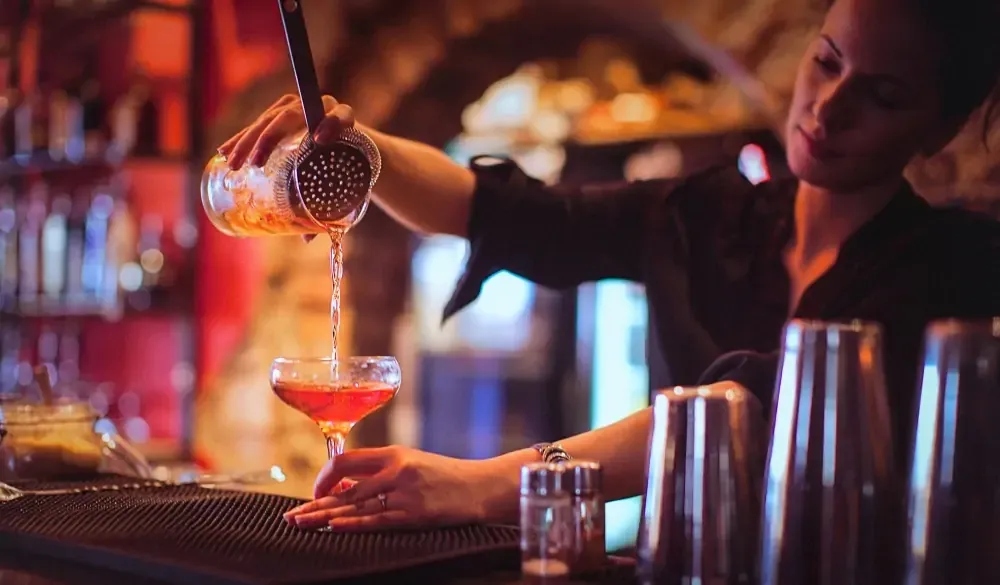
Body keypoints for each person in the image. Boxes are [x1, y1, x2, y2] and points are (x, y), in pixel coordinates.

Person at [218, 0, 1000, 531]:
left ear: (940, 131)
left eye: (884, 95)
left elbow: (750, 408)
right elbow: (499, 212)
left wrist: (484, 483)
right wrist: (362, 148)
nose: (830, 107)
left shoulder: (956, 272)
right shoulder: (709, 214)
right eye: (826, 62)